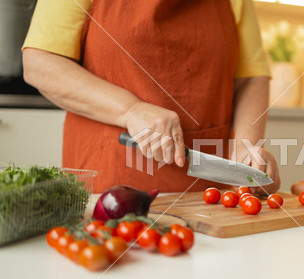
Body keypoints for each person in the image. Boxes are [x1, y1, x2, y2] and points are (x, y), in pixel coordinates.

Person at [22, 0, 280, 194]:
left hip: (210, 192)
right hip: (108, 182)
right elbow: (40, 63)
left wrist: (247, 149)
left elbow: (250, 79)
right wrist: (130, 110)